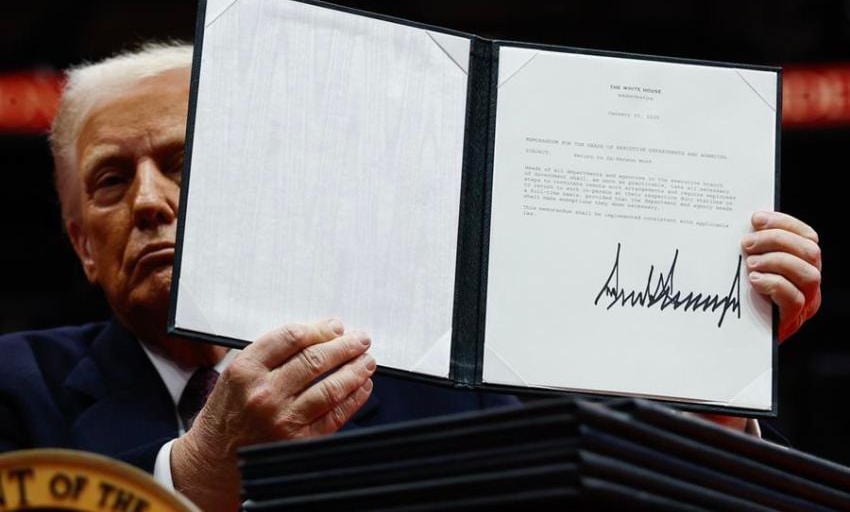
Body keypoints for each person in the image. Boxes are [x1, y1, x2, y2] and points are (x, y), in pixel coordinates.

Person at [0, 42, 822, 511]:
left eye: (184, 164)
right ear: (80, 243)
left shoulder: (447, 382)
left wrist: (711, 405)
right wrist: (191, 477)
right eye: (112, 180)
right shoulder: (14, 389)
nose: (150, 202)